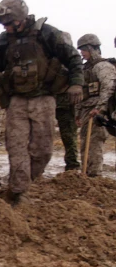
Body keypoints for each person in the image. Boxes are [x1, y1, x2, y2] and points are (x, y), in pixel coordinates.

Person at [0, 0, 84, 205]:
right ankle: (18, 192)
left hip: (43, 99)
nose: (5, 27)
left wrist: (76, 83)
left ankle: (27, 182)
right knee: (16, 147)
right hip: (16, 100)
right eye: (3, 24)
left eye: (9, 23)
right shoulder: (3, 40)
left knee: (43, 150)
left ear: (21, 18)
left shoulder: (47, 33)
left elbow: (73, 58)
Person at [75, 34, 116, 177]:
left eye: (84, 50)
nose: (82, 53)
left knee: (95, 143)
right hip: (87, 110)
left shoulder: (102, 66)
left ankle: (94, 175)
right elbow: (81, 92)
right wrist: (78, 113)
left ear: (92, 49)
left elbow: (108, 88)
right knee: (85, 143)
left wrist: (100, 109)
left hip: (97, 113)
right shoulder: (86, 68)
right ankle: (86, 172)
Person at [54, 32, 80, 171]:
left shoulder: (72, 63)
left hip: (67, 103)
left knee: (69, 135)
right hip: (52, 101)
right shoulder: (52, 60)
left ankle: (72, 165)